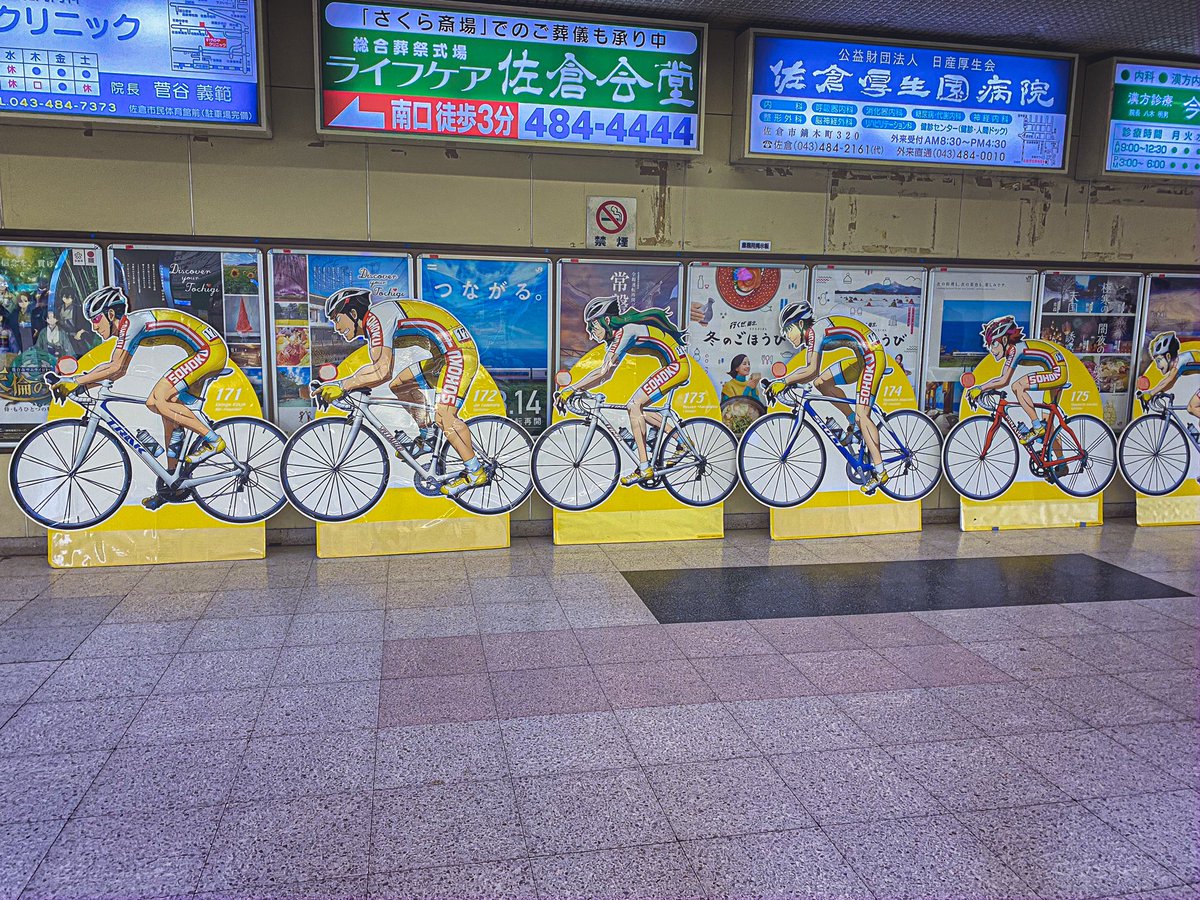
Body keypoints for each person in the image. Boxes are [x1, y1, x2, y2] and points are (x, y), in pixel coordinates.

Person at [51, 286, 231, 509]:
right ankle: (172, 482)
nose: (94, 326)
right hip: (202, 351)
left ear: (110, 314)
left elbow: (115, 367)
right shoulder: (128, 329)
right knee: (165, 411)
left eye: (96, 319)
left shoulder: (130, 325)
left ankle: (213, 441)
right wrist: (80, 383)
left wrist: (77, 382)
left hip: (208, 351)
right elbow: (117, 370)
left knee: (158, 399)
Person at [316, 287, 486, 498]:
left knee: (444, 417)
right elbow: (377, 369)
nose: (336, 327)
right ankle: (428, 436)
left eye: (336, 319)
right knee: (400, 385)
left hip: (457, 354)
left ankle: (475, 472)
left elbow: (382, 371)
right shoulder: (373, 325)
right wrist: (342, 384)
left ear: (352, 313)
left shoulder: (376, 320)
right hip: (443, 357)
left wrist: (342, 386)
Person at [556, 296, 690, 487]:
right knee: (639, 410)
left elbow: (603, 372)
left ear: (606, 320)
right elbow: (607, 375)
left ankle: (644, 468)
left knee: (634, 406)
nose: (590, 333)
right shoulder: (619, 337)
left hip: (677, 366)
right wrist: (577, 389)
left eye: (593, 326)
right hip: (674, 365)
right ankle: (682, 442)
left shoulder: (625, 333)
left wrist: (572, 388)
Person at [764, 301, 889, 494]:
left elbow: (811, 370)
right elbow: (812, 373)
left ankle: (880, 472)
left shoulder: (815, 332)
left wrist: (784, 381)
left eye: (788, 330)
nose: (787, 336)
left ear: (800, 324)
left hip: (872, 358)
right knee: (822, 383)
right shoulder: (813, 336)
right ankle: (854, 427)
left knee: (862, 415)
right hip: (862, 358)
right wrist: (786, 382)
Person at [969, 315, 1067, 445]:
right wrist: (983, 388)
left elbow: (1004, 380)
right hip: (1056, 369)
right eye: (989, 345)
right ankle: (1060, 458)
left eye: (994, 344)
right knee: (1048, 426)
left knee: (1018, 386)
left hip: (1057, 371)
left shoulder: (1015, 350)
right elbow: (1002, 378)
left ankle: (1037, 427)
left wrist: (980, 388)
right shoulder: (1014, 350)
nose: (991, 350)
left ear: (1004, 340)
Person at [1141, 331, 1200, 451]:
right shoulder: (1179, 365)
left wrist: (1151, 393)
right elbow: (1169, 384)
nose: (1157, 366)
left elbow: (1167, 380)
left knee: (1192, 407)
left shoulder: (1180, 361)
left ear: (1168, 357)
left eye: (1158, 360)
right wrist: (1156, 393)